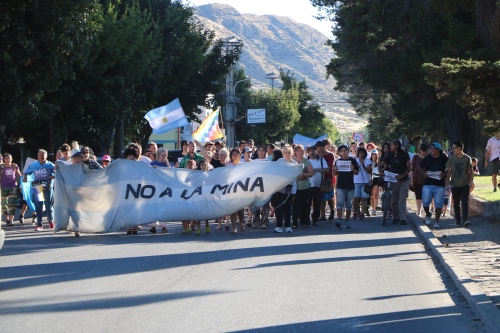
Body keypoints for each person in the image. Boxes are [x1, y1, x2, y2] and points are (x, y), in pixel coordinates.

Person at [379, 139, 411, 225]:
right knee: (394, 200)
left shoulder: (405, 155)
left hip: (404, 180)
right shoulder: (389, 156)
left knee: (402, 199)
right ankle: (395, 217)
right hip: (394, 180)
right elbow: (380, 165)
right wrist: (380, 172)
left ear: (397, 146)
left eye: (392, 145)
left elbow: (409, 168)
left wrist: (402, 175)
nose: (390, 147)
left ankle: (403, 218)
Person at [23, 149, 55, 231]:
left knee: (48, 205)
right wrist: (25, 178)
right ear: (37, 156)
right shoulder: (34, 165)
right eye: (40, 155)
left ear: (46, 156)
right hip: (37, 187)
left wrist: (53, 176)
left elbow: (57, 173)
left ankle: (51, 221)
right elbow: (26, 172)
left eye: (43, 154)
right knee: (39, 206)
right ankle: (39, 225)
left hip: (47, 187)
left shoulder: (50, 165)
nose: (41, 156)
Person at [418, 142, 448, 229]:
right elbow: (419, 166)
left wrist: (444, 173)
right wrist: (424, 173)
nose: (432, 151)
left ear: (438, 150)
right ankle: (428, 214)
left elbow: (449, 167)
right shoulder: (427, 158)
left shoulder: (444, 158)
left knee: (439, 204)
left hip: (439, 185)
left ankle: (436, 221)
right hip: (428, 183)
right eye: (431, 149)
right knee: (426, 202)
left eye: (434, 149)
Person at [446, 141, 473, 227]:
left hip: (464, 184)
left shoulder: (467, 158)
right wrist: (447, 181)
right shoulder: (452, 158)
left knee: (465, 202)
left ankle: (465, 219)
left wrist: (470, 181)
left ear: (459, 148)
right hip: (455, 184)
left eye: (454, 148)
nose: (453, 149)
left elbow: (471, 171)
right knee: (456, 203)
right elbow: (449, 171)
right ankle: (458, 220)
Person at [333, 144, 359, 228]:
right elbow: (334, 173)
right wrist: (335, 170)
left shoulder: (352, 160)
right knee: (340, 203)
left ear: (348, 151)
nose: (344, 152)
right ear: (340, 152)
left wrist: (352, 169)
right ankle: (339, 220)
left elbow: (357, 172)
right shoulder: (337, 161)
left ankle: (347, 220)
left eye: (345, 150)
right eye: (342, 151)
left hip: (350, 186)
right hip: (340, 185)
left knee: (348, 204)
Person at [273, 145, 298, 233]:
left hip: (290, 188)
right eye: (285, 153)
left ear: (292, 154)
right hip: (280, 187)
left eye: (289, 153)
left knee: (288, 207)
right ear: (283, 154)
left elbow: (296, 176)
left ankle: (288, 226)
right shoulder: (280, 161)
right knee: (279, 207)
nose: (287, 154)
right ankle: (279, 226)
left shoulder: (294, 163)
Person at [292, 145, 314, 228]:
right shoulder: (292, 162)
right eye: (298, 151)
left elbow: (311, 173)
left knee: (304, 205)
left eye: (301, 151)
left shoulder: (306, 161)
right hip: (295, 188)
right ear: (295, 152)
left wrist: (303, 174)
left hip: (305, 187)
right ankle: (294, 222)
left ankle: (303, 221)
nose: (300, 152)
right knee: (295, 206)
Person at [307, 146, 328, 226]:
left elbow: (327, 170)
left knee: (317, 203)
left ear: (316, 152)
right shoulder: (306, 161)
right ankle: (306, 219)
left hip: (318, 185)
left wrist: (318, 169)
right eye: (310, 151)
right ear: (308, 153)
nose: (312, 152)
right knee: (307, 204)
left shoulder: (321, 160)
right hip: (308, 186)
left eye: (313, 151)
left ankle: (315, 219)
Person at [315, 140, 335, 221]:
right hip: (320, 178)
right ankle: (322, 215)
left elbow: (329, 167)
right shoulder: (317, 155)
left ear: (322, 147)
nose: (317, 149)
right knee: (321, 198)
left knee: (329, 197)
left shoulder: (330, 155)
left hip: (328, 178)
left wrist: (322, 157)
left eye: (318, 147)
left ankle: (332, 211)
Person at [1, 154, 22, 226]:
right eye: (6, 158)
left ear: (12, 159)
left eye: (9, 158)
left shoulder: (14, 166)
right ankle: (6, 218)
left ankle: (11, 220)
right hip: (3, 187)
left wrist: (21, 185)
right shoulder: (1, 167)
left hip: (13, 186)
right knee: (3, 204)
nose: (8, 159)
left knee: (12, 204)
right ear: (4, 159)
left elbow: (20, 175)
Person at [352, 148, 372, 220]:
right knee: (356, 198)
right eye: (360, 153)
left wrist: (363, 166)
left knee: (364, 198)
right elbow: (352, 170)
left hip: (365, 182)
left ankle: (362, 213)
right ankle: (355, 212)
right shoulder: (355, 161)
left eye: (362, 153)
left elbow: (370, 171)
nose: (361, 154)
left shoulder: (368, 161)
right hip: (356, 181)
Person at [410, 144, 428, 218]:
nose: (423, 152)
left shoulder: (428, 158)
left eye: (425, 151)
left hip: (426, 179)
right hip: (417, 179)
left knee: (427, 196)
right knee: (418, 195)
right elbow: (412, 169)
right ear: (420, 150)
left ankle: (427, 211)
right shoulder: (415, 157)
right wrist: (412, 180)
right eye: (422, 150)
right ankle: (419, 211)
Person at [369, 149, 380, 215]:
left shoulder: (378, 163)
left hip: (377, 178)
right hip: (370, 178)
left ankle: (374, 209)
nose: (374, 155)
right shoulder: (369, 162)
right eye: (373, 154)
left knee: (375, 194)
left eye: (375, 154)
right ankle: (372, 207)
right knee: (371, 195)